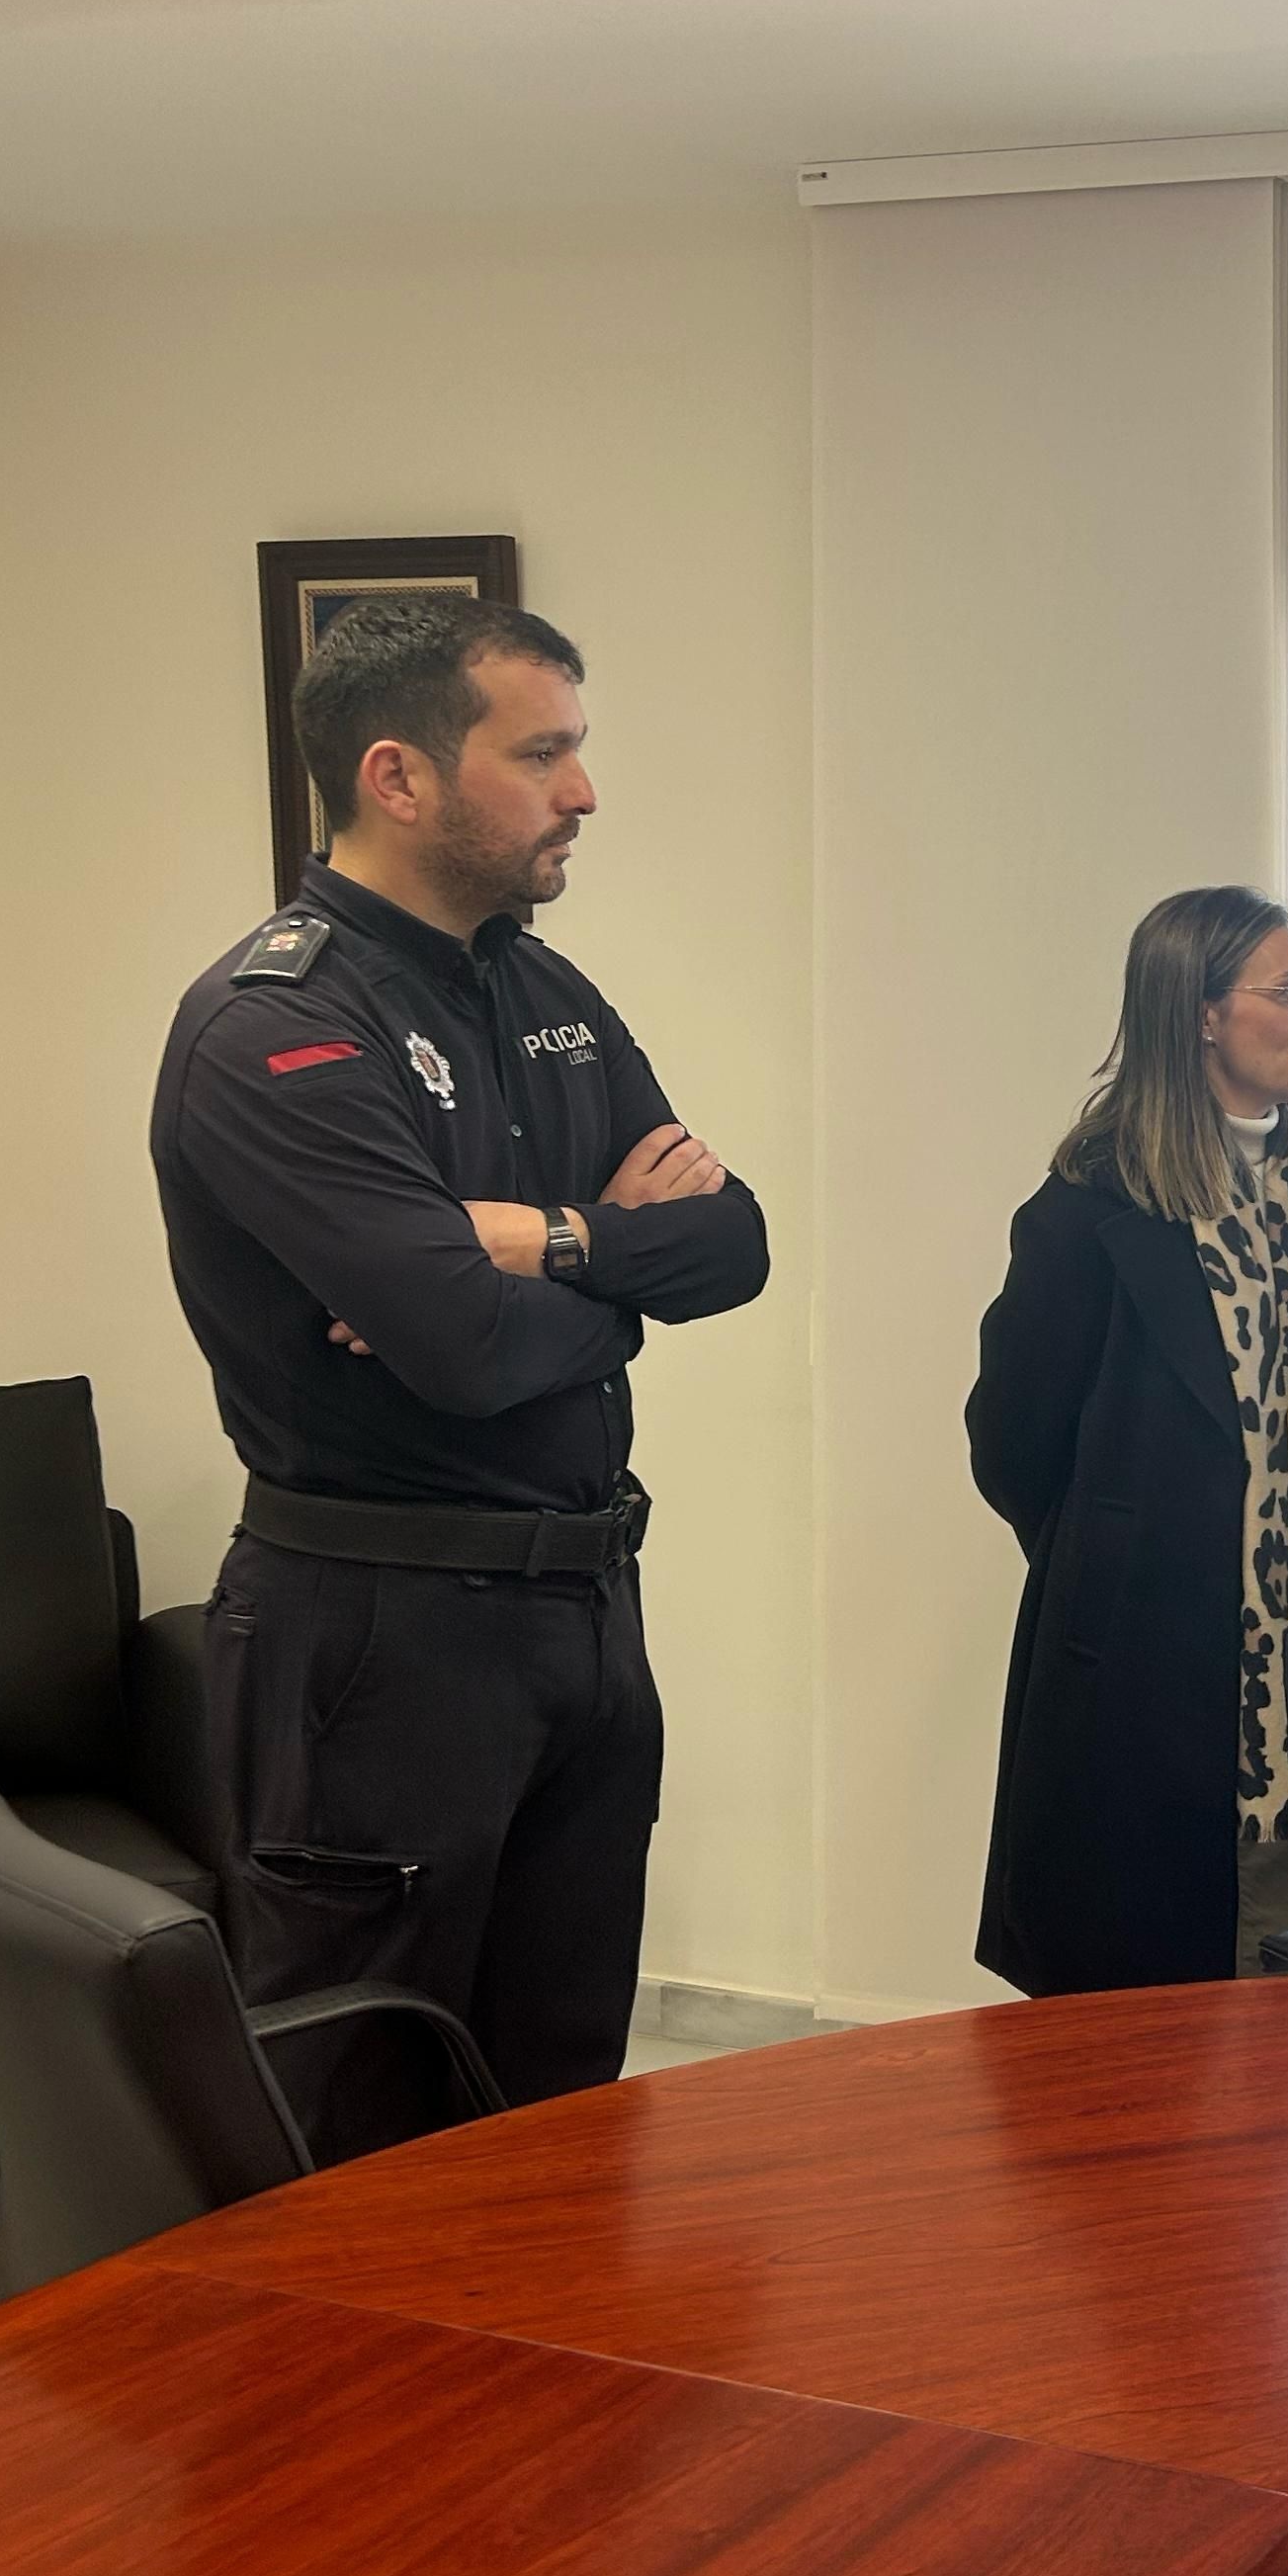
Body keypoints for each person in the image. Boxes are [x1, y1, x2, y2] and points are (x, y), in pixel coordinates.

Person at [150, 594, 766, 2161]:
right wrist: (611, 1265)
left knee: (561, 2108)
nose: (584, 791)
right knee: (369, 2121)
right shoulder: (276, 1027)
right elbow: (465, 1350)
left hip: (585, 1613)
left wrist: (534, 1242)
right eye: (542, 753)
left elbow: (735, 1244)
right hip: (380, 1635)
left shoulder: (546, 997)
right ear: (400, 777)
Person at [970, 887, 1288, 1994]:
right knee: (1145, 1996)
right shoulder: (1090, 1207)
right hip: (1144, 1659)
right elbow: (1012, 1440)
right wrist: (1121, 1548)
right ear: (1202, 1013)